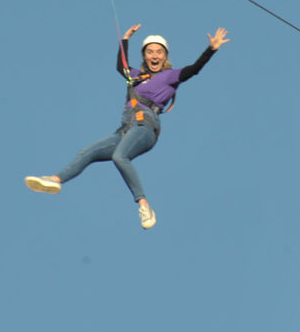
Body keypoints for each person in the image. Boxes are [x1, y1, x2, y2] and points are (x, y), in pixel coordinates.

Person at [25, 23, 230, 229]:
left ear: (165, 57)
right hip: (125, 130)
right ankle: (55, 180)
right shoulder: (135, 76)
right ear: (145, 57)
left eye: (159, 52)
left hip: (145, 126)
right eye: (150, 52)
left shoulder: (170, 76)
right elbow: (120, 66)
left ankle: (144, 204)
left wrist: (211, 49)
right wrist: (125, 39)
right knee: (88, 151)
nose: (154, 55)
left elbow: (193, 70)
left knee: (119, 156)